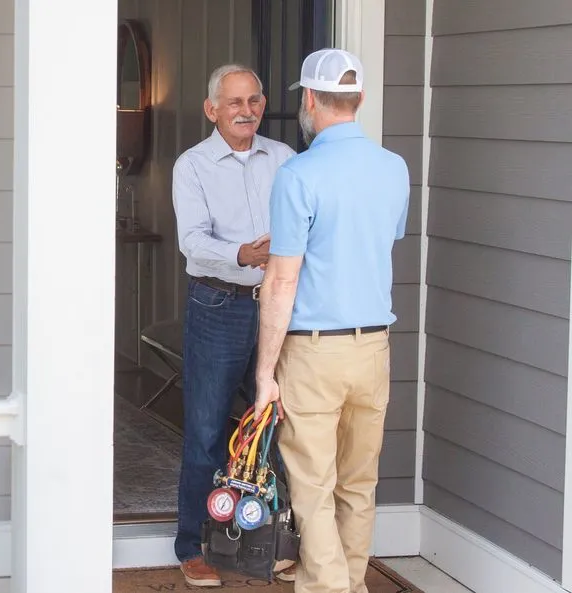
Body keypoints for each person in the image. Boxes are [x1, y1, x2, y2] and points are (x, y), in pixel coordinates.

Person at [253, 48, 411, 593]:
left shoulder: (298, 174)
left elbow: (282, 280)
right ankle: (352, 584)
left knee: (313, 487)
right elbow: (379, 240)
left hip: (314, 351)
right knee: (358, 484)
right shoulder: (394, 168)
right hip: (374, 348)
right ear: (359, 99)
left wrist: (265, 373)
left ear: (310, 100)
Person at [170, 63, 296, 588]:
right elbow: (192, 242)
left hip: (279, 305)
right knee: (206, 429)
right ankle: (192, 546)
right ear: (212, 110)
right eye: (235, 102)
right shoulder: (193, 165)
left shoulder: (284, 158)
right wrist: (242, 254)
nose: (247, 111)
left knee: (276, 427)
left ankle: (276, 543)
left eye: (254, 100)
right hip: (219, 304)